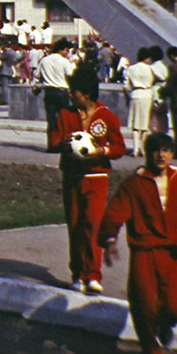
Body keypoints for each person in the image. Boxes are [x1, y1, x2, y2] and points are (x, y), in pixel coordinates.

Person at [99, 132, 177, 354]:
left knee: (175, 306)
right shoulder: (135, 184)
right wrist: (110, 239)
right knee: (144, 303)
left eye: (165, 150)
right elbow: (116, 212)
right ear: (147, 154)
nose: (160, 155)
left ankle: (166, 325)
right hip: (144, 250)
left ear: (172, 153)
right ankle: (150, 350)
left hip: (172, 250)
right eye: (155, 150)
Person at [47, 66, 125, 295]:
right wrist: (63, 144)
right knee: (75, 225)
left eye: (75, 92)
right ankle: (77, 273)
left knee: (93, 224)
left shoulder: (107, 116)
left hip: (97, 177)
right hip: (71, 176)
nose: (71, 95)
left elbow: (119, 147)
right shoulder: (65, 114)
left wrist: (103, 151)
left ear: (87, 94)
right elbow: (52, 142)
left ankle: (93, 275)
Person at [35, 39, 75, 148]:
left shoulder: (44, 60)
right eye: (66, 50)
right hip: (62, 92)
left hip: (49, 91)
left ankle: (52, 144)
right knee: (64, 119)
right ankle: (63, 143)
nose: (67, 53)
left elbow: (37, 76)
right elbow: (71, 75)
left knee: (51, 119)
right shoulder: (64, 61)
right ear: (61, 49)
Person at [122, 48, 155, 157]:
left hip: (135, 94)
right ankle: (144, 149)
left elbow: (126, 86)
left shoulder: (131, 69)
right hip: (147, 94)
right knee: (145, 123)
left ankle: (136, 149)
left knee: (135, 123)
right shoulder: (150, 69)